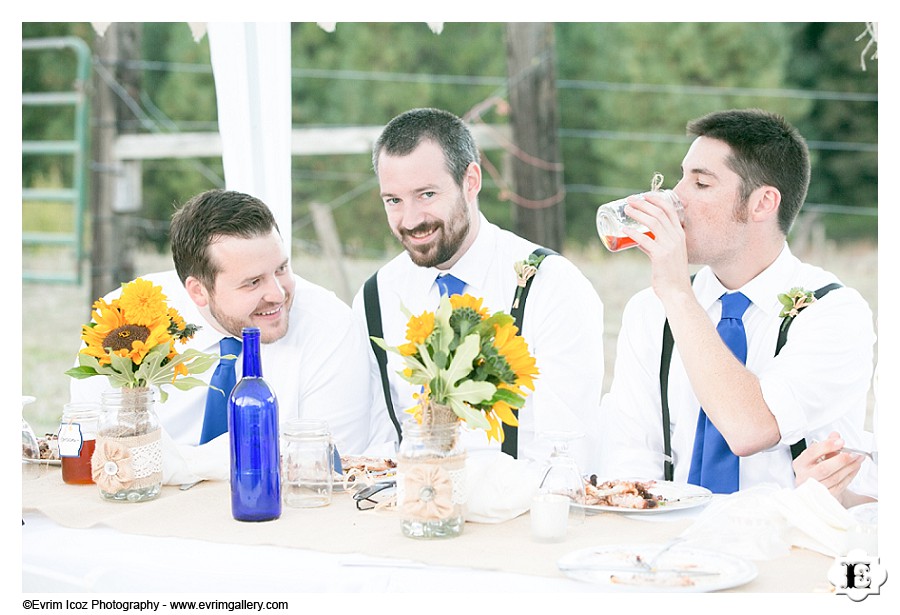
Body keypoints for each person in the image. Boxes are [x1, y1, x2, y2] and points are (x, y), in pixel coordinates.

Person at [596, 109, 876, 493]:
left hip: (788, 543)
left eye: (701, 184)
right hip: (673, 540)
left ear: (762, 203)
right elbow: (630, 456)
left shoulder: (834, 313)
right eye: (681, 177)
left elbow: (749, 428)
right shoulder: (650, 310)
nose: (675, 198)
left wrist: (678, 292)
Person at [70, 189, 391, 483]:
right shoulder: (127, 317)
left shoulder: (327, 324)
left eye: (281, 269)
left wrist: (181, 464)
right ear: (198, 291)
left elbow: (329, 460)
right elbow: (99, 443)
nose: (278, 294)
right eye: (253, 282)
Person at [351, 107, 605, 465]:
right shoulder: (376, 297)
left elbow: (568, 452)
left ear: (471, 181)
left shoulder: (551, 285)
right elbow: (377, 442)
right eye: (393, 200)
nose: (410, 220)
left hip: (520, 512)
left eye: (426, 195)